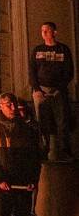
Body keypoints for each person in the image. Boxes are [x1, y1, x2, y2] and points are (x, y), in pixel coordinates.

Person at [30, 22, 75, 161]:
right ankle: (44, 150)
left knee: (61, 121)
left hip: (58, 91)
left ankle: (65, 151)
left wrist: (60, 89)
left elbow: (69, 71)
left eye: (47, 30)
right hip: (41, 91)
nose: (43, 33)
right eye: (42, 30)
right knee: (42, 121)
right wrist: (36, 89)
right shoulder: (37, 50)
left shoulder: (63, 49)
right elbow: (32, 71)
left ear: (54, 32)